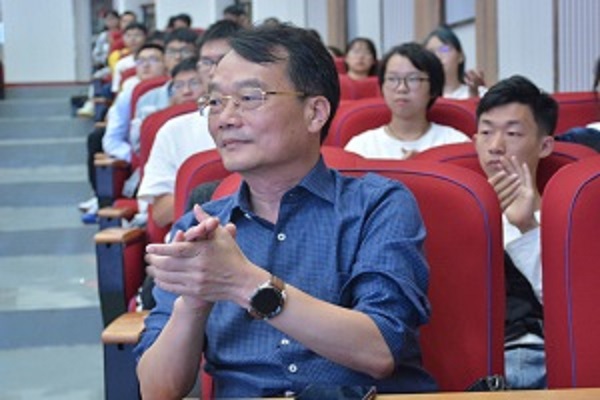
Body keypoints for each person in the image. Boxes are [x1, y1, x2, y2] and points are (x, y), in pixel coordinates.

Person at [135, 24, 436, 399]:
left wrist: (245, 283)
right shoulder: (202, 230)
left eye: (249, 98)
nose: (225, 117)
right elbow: (156, 390)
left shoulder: (379, 206)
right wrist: (194, 302)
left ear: (315, 113)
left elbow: (380, 351)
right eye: (214, 101)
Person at [474, 75, 557, 389]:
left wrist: (527, 228)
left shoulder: (571, 218)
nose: (495, 146)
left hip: (546, 358)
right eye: (486, 132)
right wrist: (479, 224)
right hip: (472, 361)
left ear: (545, 145)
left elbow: (578, 311)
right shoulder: (450, 217)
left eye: (512, 133)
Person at [137, 19, 242, 229]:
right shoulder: (174, 130)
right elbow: (160, 213)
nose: (213, 71)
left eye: (223, 61)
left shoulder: (264, 124)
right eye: (206, 62)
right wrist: (208, 195)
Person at [344, 42, 470, 160]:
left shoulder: (455, 143)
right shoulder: (360, 148)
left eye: (413, 79)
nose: (402, 88)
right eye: (392, 79)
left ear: (433, 88)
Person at [424, 25, 486, 99]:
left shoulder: (481, 93)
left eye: (444, 49)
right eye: (431, 52)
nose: (437, 56)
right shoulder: (422, 97)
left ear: (460, 56)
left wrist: (474, 93)